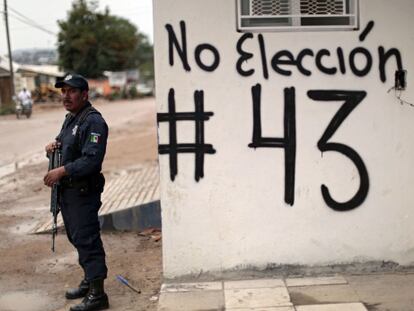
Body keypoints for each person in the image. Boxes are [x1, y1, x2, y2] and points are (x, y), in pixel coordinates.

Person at [44, 74, 109, 311]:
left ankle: (98, 295)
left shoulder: (94, 122)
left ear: (84, 94)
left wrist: (61, 171)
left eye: (72, 91)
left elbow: (92, 160)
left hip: (83, 192)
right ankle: (88, 280)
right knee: (76, 237)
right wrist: (52, 146)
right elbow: (66, 144)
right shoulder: (71, 119)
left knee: (88, 239)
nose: (66, 96)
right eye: (63, 92)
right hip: (69, 193)